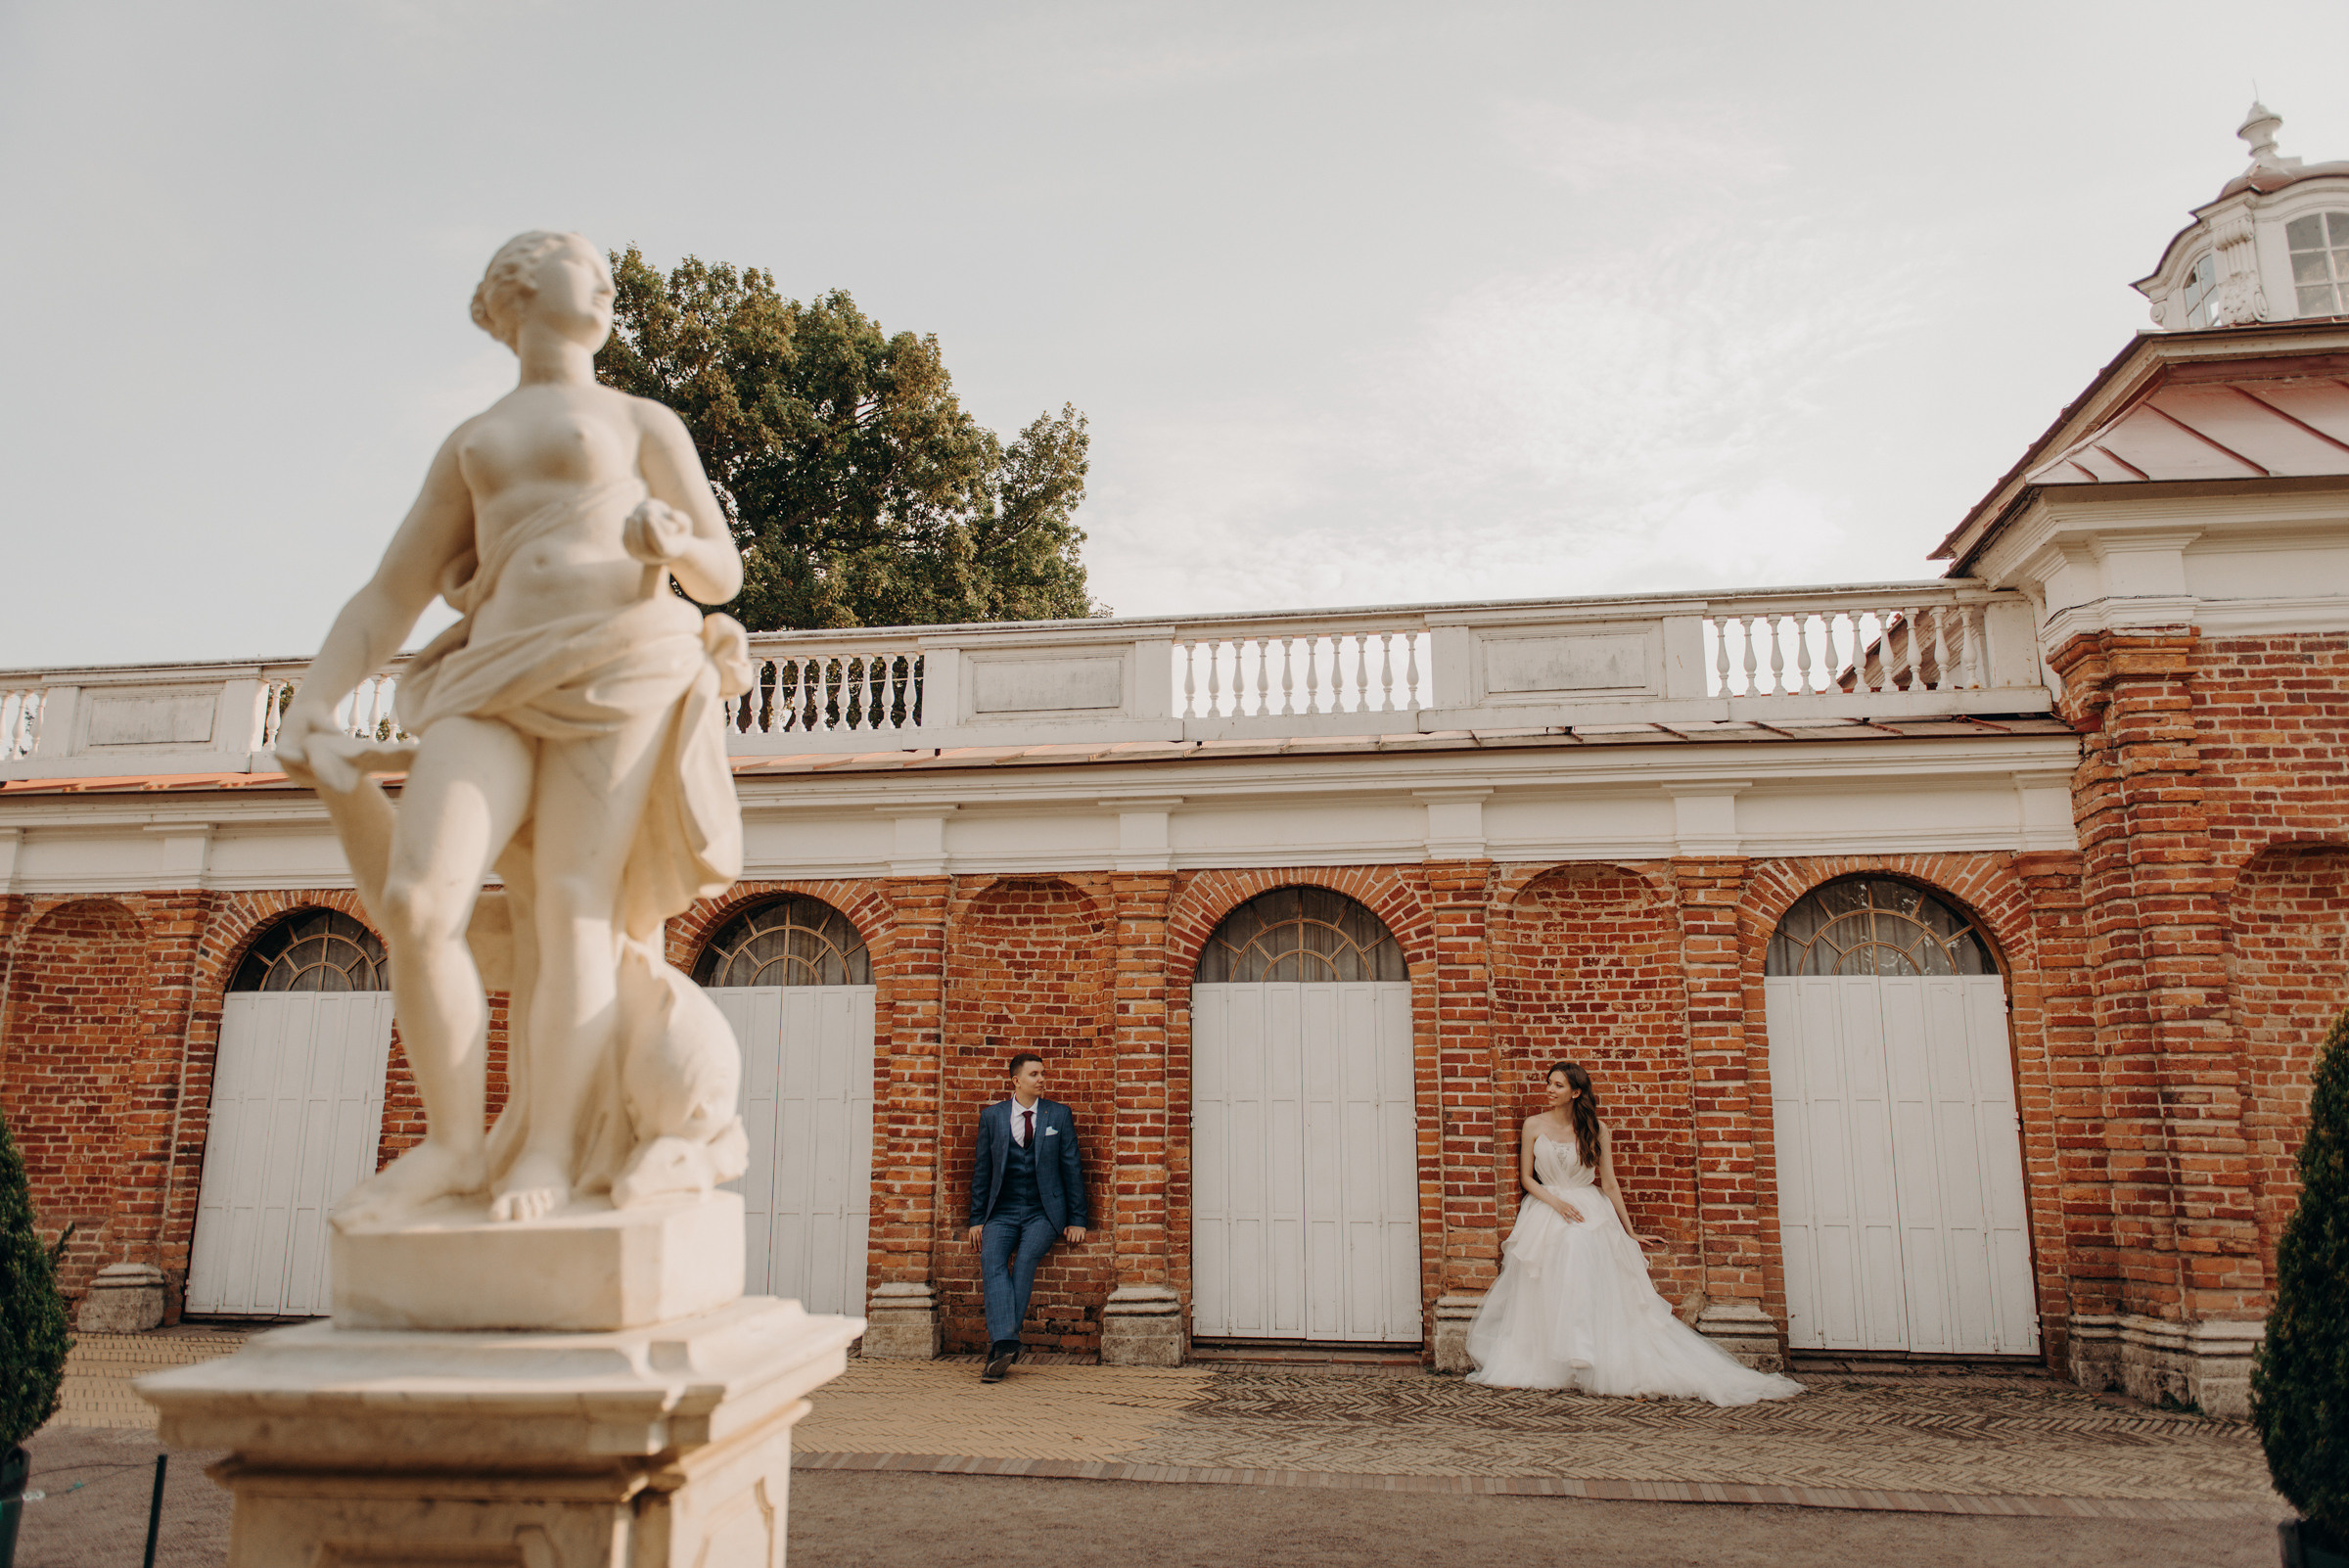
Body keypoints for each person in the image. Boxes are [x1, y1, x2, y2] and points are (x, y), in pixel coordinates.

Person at [275, 230, 754, 1227]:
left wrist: (673, 545)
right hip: (489, 678)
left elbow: (723, 570)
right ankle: (456, 1144)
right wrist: (317, 694)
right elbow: (393, 593)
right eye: (591, 266)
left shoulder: (641, 421)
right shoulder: (475, 441)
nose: (610, 284)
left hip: (622, 662)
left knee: (577, 908)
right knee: (416, 901)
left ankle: (545, 1148)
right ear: (522, 287)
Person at [1465, 1061, 1803, 1406]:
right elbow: (1526, 1178)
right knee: (1546, 1276)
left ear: (1576, 1092)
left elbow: (1609, 1183)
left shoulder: (1596, 1128)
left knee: (1579, 1252)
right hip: (1546, 1206)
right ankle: (1551, 1359)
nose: (1550, 1090)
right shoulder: (1532, 1125)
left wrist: (1630, 1232)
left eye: (1558, 1085)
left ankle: (1587, 1353)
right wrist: (1555, 1203)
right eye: (1549, 1083)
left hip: (1589, 1209)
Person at [965, 1052, 1089, 1383]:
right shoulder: (992, 1117)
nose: (1041, 1079)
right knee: (991, 1258)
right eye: (1034, 1074)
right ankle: (1005, 1344)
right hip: (1002, 1212)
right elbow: (982, 1171)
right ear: (1016, 1081)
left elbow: (1072, 1170)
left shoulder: (1058, 1115)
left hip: (1043, 1212)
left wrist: (1077, 1219)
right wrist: (978, 1219)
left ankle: (1001, 1345)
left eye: (1043, 1073)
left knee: (1025, 1262)